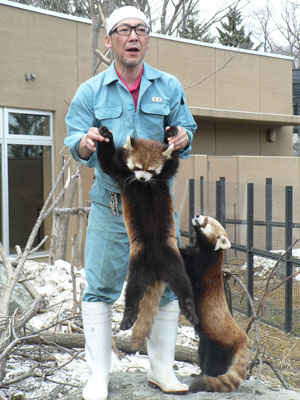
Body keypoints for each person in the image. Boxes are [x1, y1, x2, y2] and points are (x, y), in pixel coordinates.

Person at [64, 6, 197, 400]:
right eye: (124, 30)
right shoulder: (90, 91)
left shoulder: (168, 86)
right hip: (110, 203)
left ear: (149, 39)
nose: (133, 37)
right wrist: (85, 143)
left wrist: (183, 138)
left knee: (169, 284)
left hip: (157, 208)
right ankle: (99, 375)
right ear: (110, 40)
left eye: (141, 30)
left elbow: (187, 128)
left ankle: (161, 369)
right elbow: (74, 139)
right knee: (101, 287)